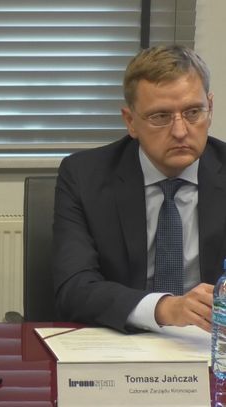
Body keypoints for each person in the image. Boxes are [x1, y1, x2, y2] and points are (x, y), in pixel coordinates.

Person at [52, 45, 226, 333]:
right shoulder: (84, 176)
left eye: (193, 112)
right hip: (123, 341)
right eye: (160, 117)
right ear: (130, 122)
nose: (180, 131)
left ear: (210, 109)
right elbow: (74, 288)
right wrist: (165, 308)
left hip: (212, 344)